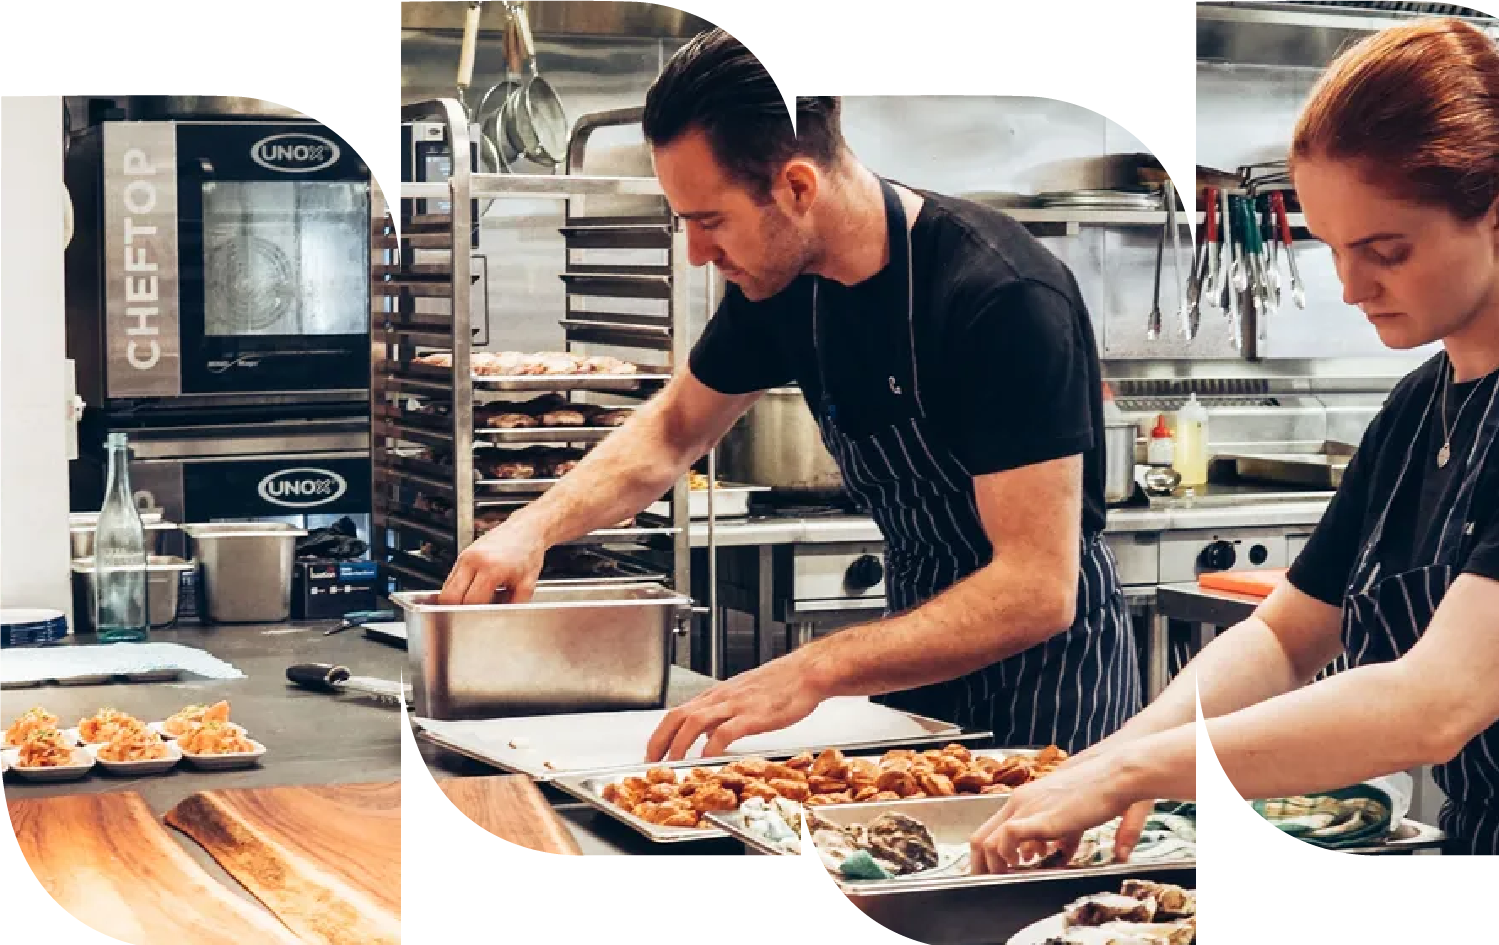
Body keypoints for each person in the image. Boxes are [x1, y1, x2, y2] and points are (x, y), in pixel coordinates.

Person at [970, 18, 1499, 869]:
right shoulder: (1422, 407)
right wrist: (1114, 755)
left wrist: (1139, 771)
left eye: (1385, 251)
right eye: (1333, 248)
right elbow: (1287, 636)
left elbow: (1434, 704)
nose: (1351, 286)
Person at [439, 29, 1141, 760]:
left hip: (1050, 692)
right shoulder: (782, 287)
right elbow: (674, 430)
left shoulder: (999, 296)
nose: (697, 254)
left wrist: (812, 669)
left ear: (798, 188)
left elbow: (1035, 590)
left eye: (710, 221)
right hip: (915, 666)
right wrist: (532, 528)